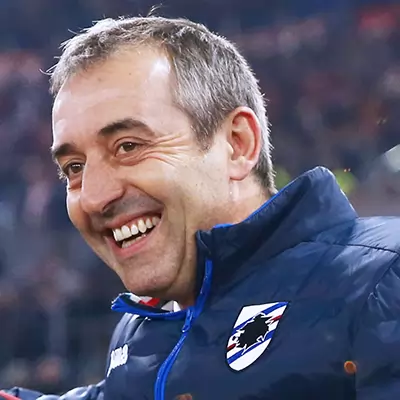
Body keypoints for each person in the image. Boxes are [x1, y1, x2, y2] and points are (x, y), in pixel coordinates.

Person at [2, 15, 400, 400]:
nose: (93, 197)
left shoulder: (380, 280)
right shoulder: (143, 330)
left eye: (128, 146)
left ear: (237, 144)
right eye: (74, 168)